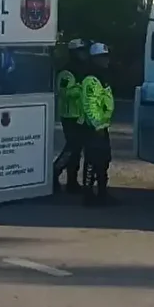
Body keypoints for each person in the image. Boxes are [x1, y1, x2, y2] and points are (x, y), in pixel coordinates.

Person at [79, 42, 117, 206]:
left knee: (103, 161)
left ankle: (102, 193)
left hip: (102, 126)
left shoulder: (102, 77)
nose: (106, 60)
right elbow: (89, 104)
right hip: (93, 128)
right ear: (94, 59)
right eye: (102, 57)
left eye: (107, 57)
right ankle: (88, 196)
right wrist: (96, 125)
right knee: (92, 161)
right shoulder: (91, 79)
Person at [52, 38, 88, 193]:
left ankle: (72, 181)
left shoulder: (83, 69)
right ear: (74, 53)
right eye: (81, 51)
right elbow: (64, 93)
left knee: (77, 150)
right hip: (69, 116)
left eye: (84, 51)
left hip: (80, 115)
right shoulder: (67, 72)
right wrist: (82, 89)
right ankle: (54, 172)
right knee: (72, 148)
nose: (84, 54)